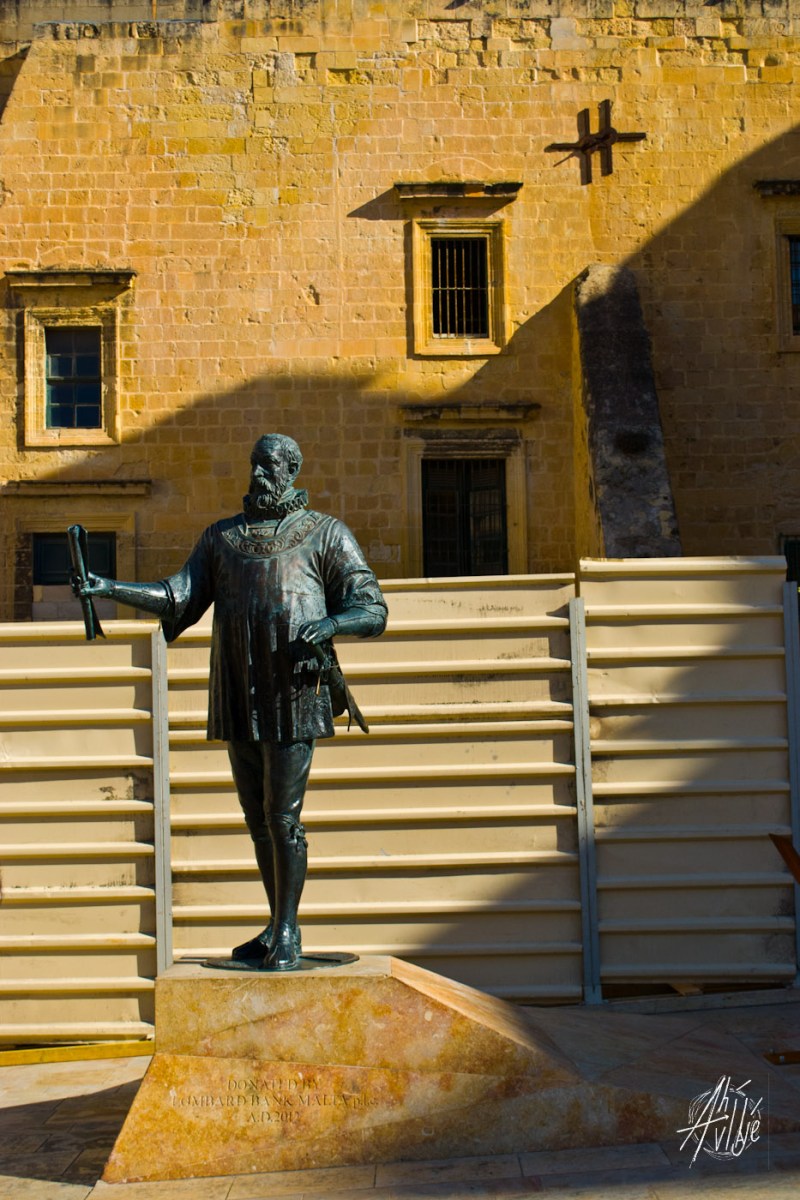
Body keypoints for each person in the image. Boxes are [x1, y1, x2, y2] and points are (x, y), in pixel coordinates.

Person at [74, 434, 387, 970]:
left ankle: (288, 929)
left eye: (268, 466)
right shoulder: (222, 539)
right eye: (254, 465)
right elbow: (177, 596)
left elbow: (373, 608)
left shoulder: (324, 535)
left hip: (294, 691)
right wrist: (107, 586)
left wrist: (333, 623)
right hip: (240, 691)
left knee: (282, 815)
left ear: (290, 470)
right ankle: (275, 924)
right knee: (256, 817)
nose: (258, 475)